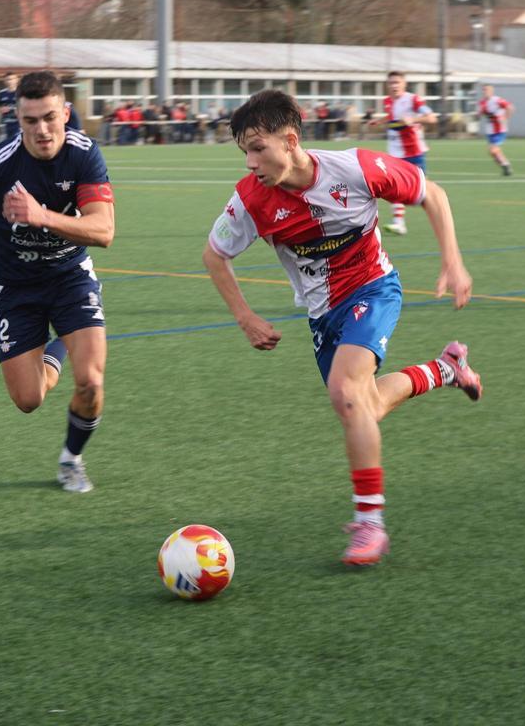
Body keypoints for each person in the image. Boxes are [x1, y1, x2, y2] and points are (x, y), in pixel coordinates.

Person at [201, 89, 482, 566]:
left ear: (290, 140)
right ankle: (445, 369)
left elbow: (433, 194)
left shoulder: (356, 169)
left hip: (373, 289)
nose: (250, 162)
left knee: (348, 395)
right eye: (243, 151)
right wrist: (245, 317)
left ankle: (369, 524)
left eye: (257, 147)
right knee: (363, 405)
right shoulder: (250, 199)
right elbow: (214, 255)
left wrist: (452, 263)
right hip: (321, 314)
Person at [0, 70, 116, 494]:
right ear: (18, 118)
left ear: (66, 113)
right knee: (28, 400)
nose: (42, 129)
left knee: (91, 382)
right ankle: (58, 346)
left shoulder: (85, 155)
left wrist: (41, 215)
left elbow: (104, 231)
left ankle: (72, 459)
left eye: (50, 117)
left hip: (70, 278)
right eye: (30, 121)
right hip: (16, 288)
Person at [374, 71, 438, 235]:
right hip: (395, 153)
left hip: (414, 152)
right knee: (394, 187)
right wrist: (379, 121)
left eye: (397, 82)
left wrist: (415, 119)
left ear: (404, 84)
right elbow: (392, 117)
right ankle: (399, 224)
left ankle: (439, 215)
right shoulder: (387, 101)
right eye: (391, 83)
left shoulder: (413, 100)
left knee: (425, 191)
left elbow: (431, 118)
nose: (394, 85)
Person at [476, 83, 513, 176]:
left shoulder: (497, 100)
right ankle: (505, 166)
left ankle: (506, 165)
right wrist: (477, 116)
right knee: (493, 152)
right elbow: (480, 114)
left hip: (499, 129)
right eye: (484, 90)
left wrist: (505, 117)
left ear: (491, 91)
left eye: (487, 90)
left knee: (493, 150)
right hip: (490, 130)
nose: (485, 92)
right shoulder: (482, 102)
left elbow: (510, 107)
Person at [0, 71, 20, 142]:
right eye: (8, 79)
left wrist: (18, 110)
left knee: (17, 142)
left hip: (18, 123)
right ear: (4, 81)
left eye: (12, 79)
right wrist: (1, 109)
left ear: (17, 80)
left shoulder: (21, 92)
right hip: (6, 123)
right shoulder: (1, 93)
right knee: (7, 142)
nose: (10, 81)